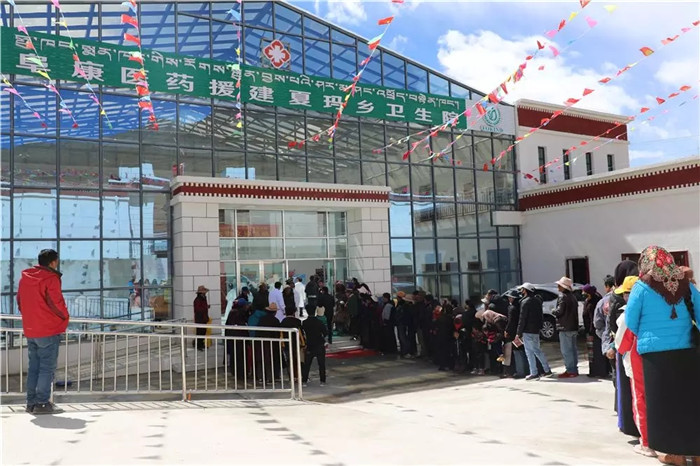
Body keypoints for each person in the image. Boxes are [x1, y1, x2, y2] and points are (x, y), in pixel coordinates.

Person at [624, 247, 700, 464]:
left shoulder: (641, 286)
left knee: (663, 404)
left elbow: (630, 321)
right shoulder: (685, 283)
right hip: (687, 351)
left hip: (655, 355)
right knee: (689, 402)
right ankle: (696, 453)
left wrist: (649, 334)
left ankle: (673, 453)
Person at [17, 249, 69, 415]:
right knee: (46, 369)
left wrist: (31, 319)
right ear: (53, 262)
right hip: (48, 330)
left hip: (31, 329)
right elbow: (56, 304)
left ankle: (31, 403)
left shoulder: (25, 278)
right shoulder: (50, 278)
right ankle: (42, 403)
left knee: (34, 367)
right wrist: (65, 318)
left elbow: (20, 301)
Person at [613, 276, 655, 458]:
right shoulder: (656, 307)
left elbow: (621, 344)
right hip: (658, 359)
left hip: (636, 361)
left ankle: (646, 443)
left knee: (640, 400)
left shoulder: (628, 314)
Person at [606, 260, 640, 439]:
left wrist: (612, 344)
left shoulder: (616, 295)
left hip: (623, 344)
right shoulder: (639, 292)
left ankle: (627, 422)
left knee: (626, 387)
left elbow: (611, 325)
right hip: (629, 345)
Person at [517, 282, 552, 381]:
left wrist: (518, 332)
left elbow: (522, 318)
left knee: (529, 353)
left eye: (522, 289)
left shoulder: (525, 302)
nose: (521, 291)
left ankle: (534, 372)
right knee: (537, 350)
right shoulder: (537, 301)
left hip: (527, 330)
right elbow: (541, 316)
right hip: (536, 330)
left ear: (525, 290)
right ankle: (547, 370)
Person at [552, 276, 579, 378]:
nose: (558, 287)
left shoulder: (563, 297)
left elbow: (559, 311)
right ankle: (574, 369)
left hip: (565, 327)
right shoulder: (573, 297)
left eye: (559, 285)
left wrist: (553, 311)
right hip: (573, 326)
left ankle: (570, 370)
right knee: (573, 349)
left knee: (566, 350)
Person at [582, 284, 607, 378]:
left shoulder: (595, 302)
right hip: (589, 331)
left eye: (584, 292)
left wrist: (592, 331)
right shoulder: (587, 301)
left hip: (594, 331)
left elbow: (594, 318)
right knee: (592, 353)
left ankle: (600, 371)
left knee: (596, 352)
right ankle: (593, 370)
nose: (583, 294)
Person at [302, 306, 328, 386]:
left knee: (307, 364)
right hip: (319, 344)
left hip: (309, 345)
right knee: (321, 364)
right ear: (315, 311)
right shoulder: (319, 322)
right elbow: (325, 333)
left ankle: (304, 381)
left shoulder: (304, 323)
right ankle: (322, 381)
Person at [504, 289, 527, 379]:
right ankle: (526, 370)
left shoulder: (512, 308)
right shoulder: (521, 305)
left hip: (514, 333)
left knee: (517, 352)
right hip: (522, 331)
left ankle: (520, 371)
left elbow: (510, 321)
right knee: (523, 351)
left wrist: (507, 330)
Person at [258, 303, 282, 383]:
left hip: (261, 342)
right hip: (272, 343)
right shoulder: (275, 321)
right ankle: (271, 377)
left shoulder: (262, 319)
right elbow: (277, 333)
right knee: (272, 360)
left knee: (262, 360)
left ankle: (261, 377)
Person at [280, 306, 304, 381]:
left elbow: (281, 334)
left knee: (289, 360)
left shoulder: (283, 322)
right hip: (296, 343)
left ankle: (291, 377)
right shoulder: (297, 321)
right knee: (297, 360)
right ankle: (297, 376)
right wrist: (303, 343)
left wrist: (282, 344)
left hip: (286, 344)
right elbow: (301, 333)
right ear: (294, 312)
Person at [193, 285, 210, 351]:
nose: (205, 293)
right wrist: (205, 307)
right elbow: (197, 309)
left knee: (203, 331)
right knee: (199, 332)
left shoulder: (203, 299)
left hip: (203, 318)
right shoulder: (197, 300)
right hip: (200, 319)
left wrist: (206, 307)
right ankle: (198, 345)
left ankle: (201, 343)